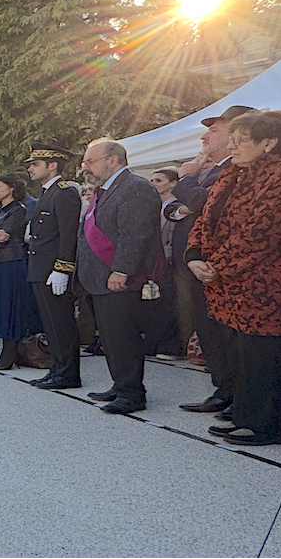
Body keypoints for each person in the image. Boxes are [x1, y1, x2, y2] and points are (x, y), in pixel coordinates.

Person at [185, 109, 281, 446]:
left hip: (267, 287)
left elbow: (261, 232)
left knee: (264, 358)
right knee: (241, 356)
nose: (233, 145)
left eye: (241, 140)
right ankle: (244, 416)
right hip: (232, 285)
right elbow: (205, 218)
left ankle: (268, 427)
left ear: (269, 143)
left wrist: (216, 266)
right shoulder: (233, 173)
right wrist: (195, 254)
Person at [173, 105, 256, 414]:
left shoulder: (232, 169)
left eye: (215, 130)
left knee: (224, 334)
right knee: (209, 333)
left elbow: (201, 202)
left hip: (218, 266)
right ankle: (223, 388)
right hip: (196, 262)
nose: (205, 136)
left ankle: (232, 393)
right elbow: (179, 211)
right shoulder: (211, 169)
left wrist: (185, 179)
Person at [77, 139, 162, 415]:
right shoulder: (108, 189)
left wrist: (122, 269)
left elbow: (135, 234)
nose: (85, 167)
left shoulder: (135, 187)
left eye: (90, 161)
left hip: (118, 277)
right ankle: (120, 384)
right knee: (111, 338)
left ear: (112, 160)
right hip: (100, 277)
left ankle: (131, 393)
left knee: (123, 337)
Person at [24, 145, 84, 388]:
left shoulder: (65, 192)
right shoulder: (48, 193)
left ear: (53, 165)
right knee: (50, 324)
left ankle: (68, 373)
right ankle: (58, 367)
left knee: (61, 323)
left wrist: (63, 268)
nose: (30, 168)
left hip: (53, 269)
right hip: (40, 268)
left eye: (35, 164)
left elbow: (69, 235)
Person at [0, 174, 39, 369]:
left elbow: (5, 237)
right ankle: (5, 351)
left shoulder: (18, 210)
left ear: (11, 188)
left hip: (11, 262)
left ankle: (9, 354)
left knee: (10, 307)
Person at [151, 168, 191, 359]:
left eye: (158, 180)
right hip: (155, 263)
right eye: (152, 180)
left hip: (172, 262)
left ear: (173, 183)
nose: (154, 184)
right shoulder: (154, 205)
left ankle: (176, 346)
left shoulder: (179, 206)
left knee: (175, 304)